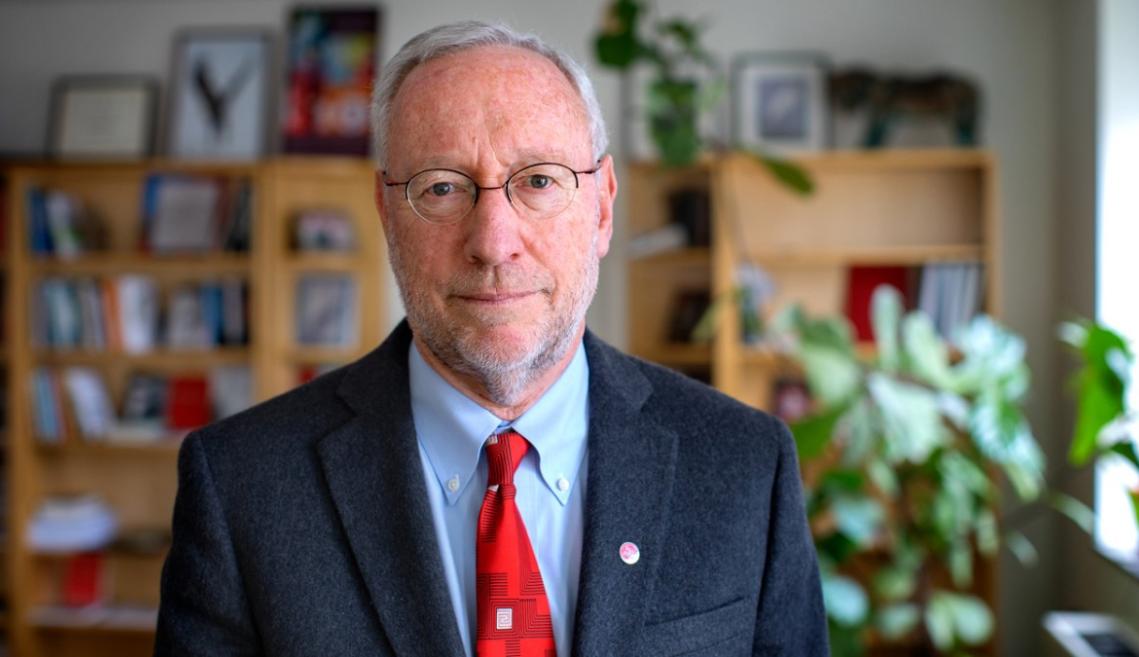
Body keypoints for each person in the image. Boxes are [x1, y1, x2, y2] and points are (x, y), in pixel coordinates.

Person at [154, 20, 827, 657]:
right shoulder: (242, 484)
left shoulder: (743, 465)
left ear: (602, 206)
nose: (493, 242)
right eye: (442, 188)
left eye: (538, 181)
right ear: (388, 214)